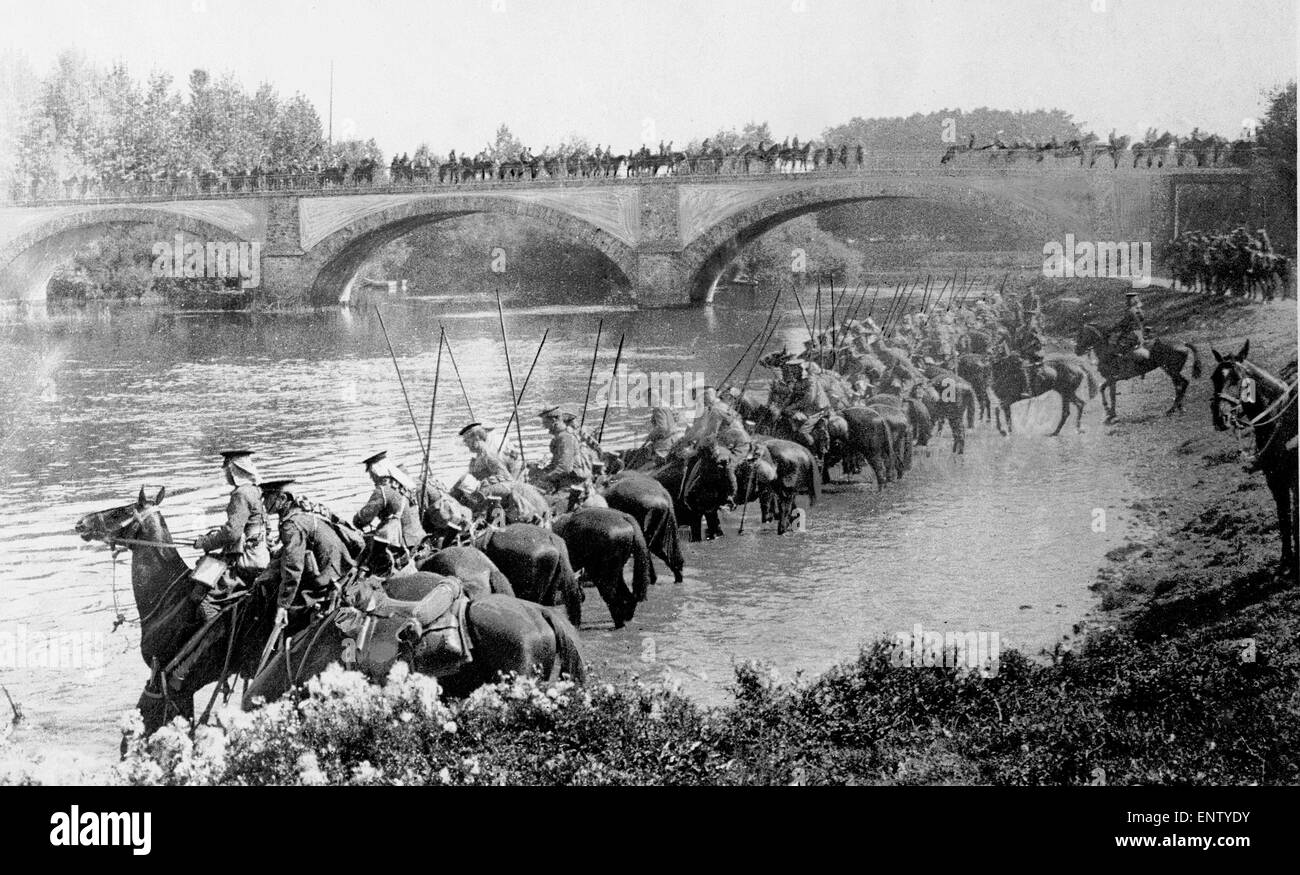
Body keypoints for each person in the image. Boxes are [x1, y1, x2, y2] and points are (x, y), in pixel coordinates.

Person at [260, 479, 353, 636]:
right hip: (342, 566)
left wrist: (283, 606)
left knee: (281, 602)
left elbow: (293, 568)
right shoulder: (304, 513)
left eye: (268, 497)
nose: (264, 502)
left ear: (282, 499)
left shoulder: (291, 525)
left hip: (327, 578)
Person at [192, 450, 270, 603]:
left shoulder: (241, 494)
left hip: (246, 561)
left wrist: (205, 542)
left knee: (202, 596)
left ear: (234, 470)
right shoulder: (257, 490)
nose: (225, 473)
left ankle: (218, 627)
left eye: (227, 469)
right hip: (261, 554)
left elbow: (232, 533)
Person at [353, 451, 425, 575]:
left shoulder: (383, 491)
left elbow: (362, 519)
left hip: (404, 545)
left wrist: (357, 518)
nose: (371, 477)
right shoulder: (405, 485)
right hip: (418, 538)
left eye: (371, 473)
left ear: (377, 472)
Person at [529, 407, 591, 493]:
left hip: (572, 483)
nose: (545, 426)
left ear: (554, 420)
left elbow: (565, 467)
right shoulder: (560, 436)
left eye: (545, 422)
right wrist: (541, 472)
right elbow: (556, 463)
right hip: (566, 479)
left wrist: (546, 477)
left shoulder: (565, 437)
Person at [1113, 291, 1148, 360]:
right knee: (1120, 336)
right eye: (1128, 299)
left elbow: (1138, 320)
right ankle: (1120, 353)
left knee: (1122, 338)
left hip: (1135, 329)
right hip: (1133, 328)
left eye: (1130, 299)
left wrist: (1122, 324)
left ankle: (1121, 354)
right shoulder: (1134, 308)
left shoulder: (1133, 309)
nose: (1128, 301)